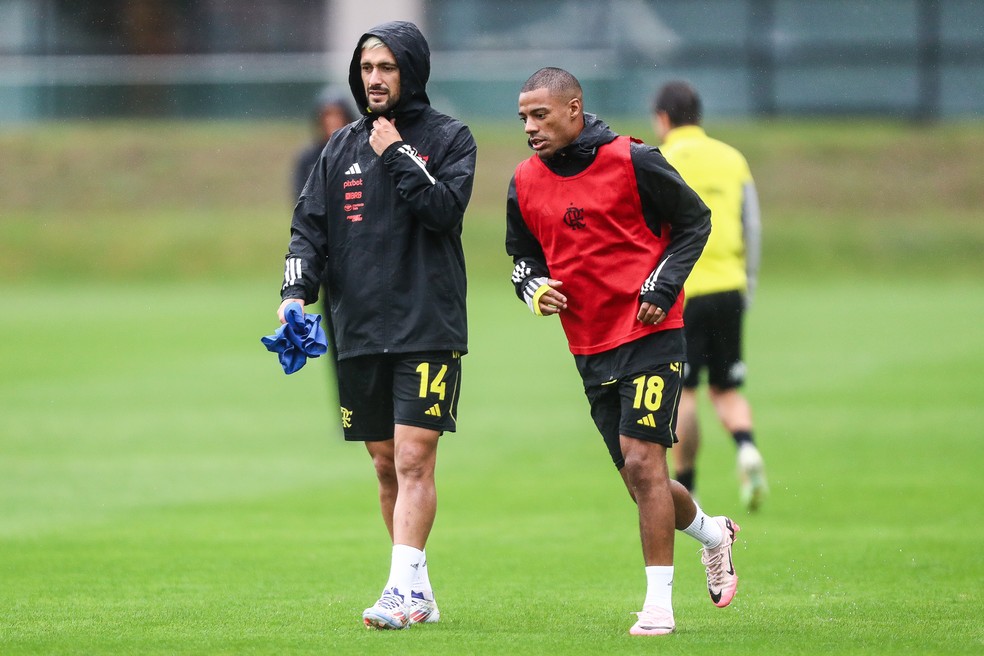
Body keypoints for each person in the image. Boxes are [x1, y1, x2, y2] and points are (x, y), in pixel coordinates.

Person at [506, 67, 741, 636]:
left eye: (541, 115)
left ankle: (658, 605)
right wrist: (533, 288)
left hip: (650, 334)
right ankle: (713, 534)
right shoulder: (522, 180)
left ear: (574, 108)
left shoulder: (633, 160)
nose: (531, 128)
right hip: (588, 343)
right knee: (641, 480)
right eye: (523, 118)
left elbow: (694, 222)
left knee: (644, 460)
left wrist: (662, 286)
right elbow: (520, 257)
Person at [276, 21, 477, 630]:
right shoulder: (338, 149)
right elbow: (308, 229)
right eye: (366, 69)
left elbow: (444, 210)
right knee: (386, 464)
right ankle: (418, 588)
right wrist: (294, 293)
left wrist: (396, 153)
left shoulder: (450, 137)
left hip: (427, 324)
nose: (374, 79)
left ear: (410, 70)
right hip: (357, 329)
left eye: (386, 67)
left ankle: (396, 590)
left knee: (416, 458)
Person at [652, 80, 768, 511]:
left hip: (683, 291)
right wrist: (748, 282)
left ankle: (688, 485)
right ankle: (746, 448)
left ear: (663, 118)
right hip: (730, 286)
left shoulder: (659, 160)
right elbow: (751, 224)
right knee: (727, 386)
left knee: (685, 391)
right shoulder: (731, 158)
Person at [292, 85, 359, 200]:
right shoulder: (308, 158)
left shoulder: (359, 153)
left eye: (338, 114)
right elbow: (300, 201)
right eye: (328, 115)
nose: (333, 120)